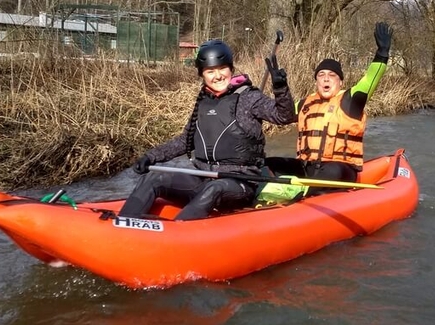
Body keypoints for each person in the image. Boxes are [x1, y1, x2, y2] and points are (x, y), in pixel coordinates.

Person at [118, 39, 297, 220]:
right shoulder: (203, 102)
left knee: (215, 188)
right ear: (202, 74)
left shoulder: (250, 98)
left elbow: (284, 116)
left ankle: (179, 234)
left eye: (222, 69)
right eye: (210, 71)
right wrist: (151, 157)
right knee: (154, 178)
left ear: (231, 69)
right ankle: (124, 223)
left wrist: (281, 89)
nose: (217, 76)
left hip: (239, 182)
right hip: (203, 177)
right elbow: (184, 141)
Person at [264, 22, 393, 196]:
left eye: (332, 76)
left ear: (340, 82)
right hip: (307, 168)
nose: (326, 79)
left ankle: (300, 199)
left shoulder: (351, 100)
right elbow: (280, 112)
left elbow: (370, 79)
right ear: (316, 81)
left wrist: (382, 54)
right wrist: (277, 88)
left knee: (332, 172)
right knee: (267, 163)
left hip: (341, 169)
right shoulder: (305, 104)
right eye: (321, 75)